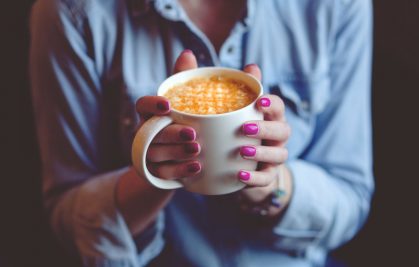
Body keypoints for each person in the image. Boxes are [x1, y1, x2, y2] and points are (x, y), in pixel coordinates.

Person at [29, 0, 374, 266]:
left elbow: (351, 197)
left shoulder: (336, 7)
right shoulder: (74, 13)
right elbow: (67, 216)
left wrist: (271, 185)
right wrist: (152, 177)